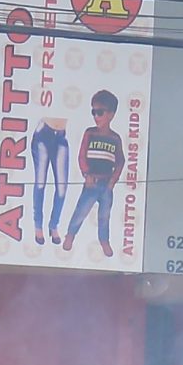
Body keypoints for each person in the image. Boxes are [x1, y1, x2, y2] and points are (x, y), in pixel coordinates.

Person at [62, 89, 125, 256]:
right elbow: (82, 155)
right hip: (92, 182)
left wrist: (113, 181)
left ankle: (104, 241)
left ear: (111, 115)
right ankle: (70, 235)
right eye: (93, 112)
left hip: (106, 184)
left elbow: (120, 161)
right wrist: (86, 174)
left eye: (100, 112)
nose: (96, 116)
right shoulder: (90, 133)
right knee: (81, 211)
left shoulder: (115, 138)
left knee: (104, 216)